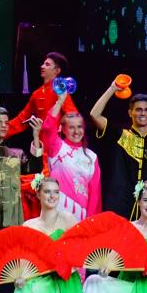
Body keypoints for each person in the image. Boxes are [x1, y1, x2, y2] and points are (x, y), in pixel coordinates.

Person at [0, 174, 84, 293]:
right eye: (47, 192)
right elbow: (24, 258)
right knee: (28, 288)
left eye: (56, 192)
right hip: (40, 275)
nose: (52, 196)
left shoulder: (68, 219)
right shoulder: (29, 225)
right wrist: (21, 276)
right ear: (38, 194)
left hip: (65, 277)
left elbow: (79, 250)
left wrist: (68, 268)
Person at [89, 81, 147, 221]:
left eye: (146, 110)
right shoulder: (120, 136)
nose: (143, 113)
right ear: (130, 113)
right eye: (138, 109)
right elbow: (94, 115)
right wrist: (112, 88)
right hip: (119, 207)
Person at [40, 92, 100, 221]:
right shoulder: (56, 147)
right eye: (71, 127)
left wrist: (90, 222)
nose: (76, 131)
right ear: (62, 129)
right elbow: (48, 128)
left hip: (81, 217)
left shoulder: (92, 157)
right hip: (56, 212)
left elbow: (95, 194)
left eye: (79, 127)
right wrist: (59, 102)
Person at [4, 53, 78, 140]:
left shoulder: (60, 90)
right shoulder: (37, 93)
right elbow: (21, 120)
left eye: (47, 64)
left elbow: (73, 116)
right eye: (43, 64)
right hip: (40, 142)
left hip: (57, 142)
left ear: (57, 71)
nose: (42, 66)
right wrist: (1, 130)